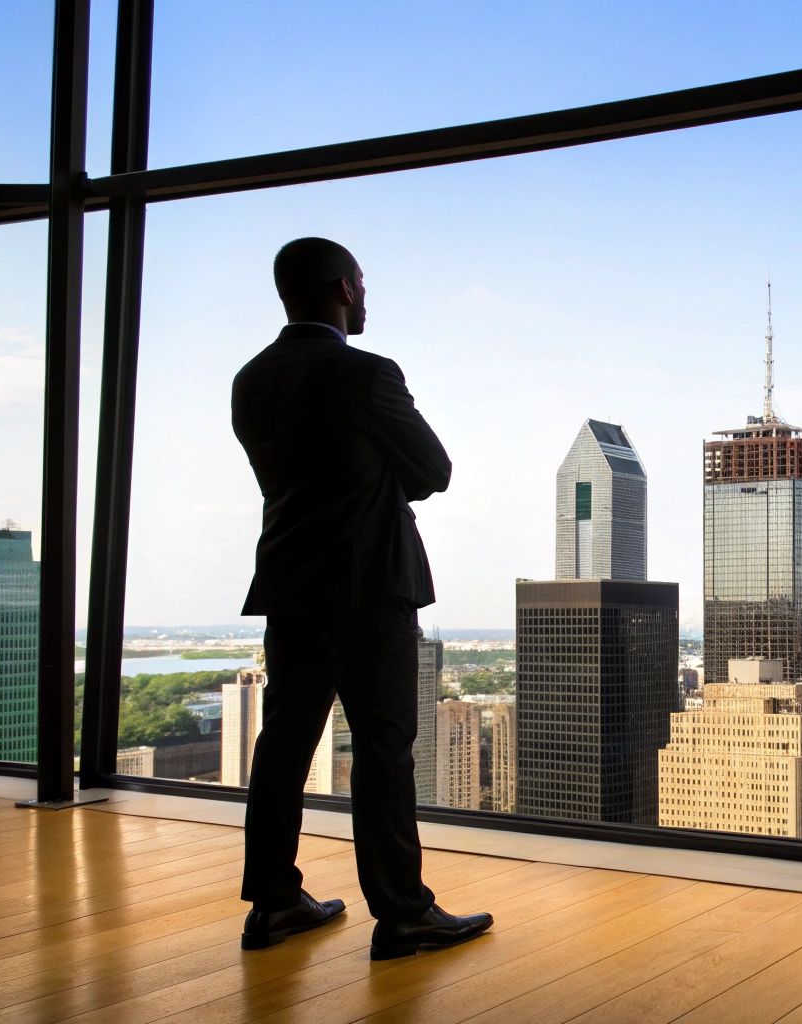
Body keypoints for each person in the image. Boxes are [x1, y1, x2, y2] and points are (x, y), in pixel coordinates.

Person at [231, 237, 491, 959]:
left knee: (283, 744)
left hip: (289, 582)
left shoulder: (250, 379)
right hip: (369, 584)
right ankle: (403, 915)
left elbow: (298, 473)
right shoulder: (367, 373)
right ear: (343, 287)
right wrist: (381, 475)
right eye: (364, 283)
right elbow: (432, 470)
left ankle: (274, 903)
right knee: (384, 750)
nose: (368, 296)